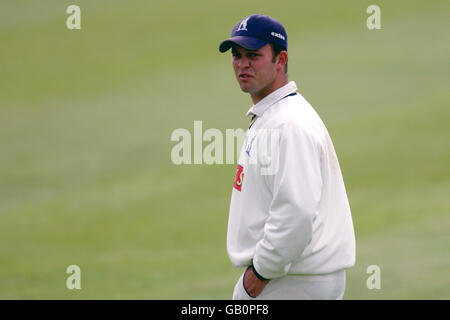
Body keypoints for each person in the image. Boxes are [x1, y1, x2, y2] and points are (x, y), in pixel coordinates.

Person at [218, 14, 356, 300]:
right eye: (237, 55)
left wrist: (259, 274)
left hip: (289, 281)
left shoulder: (288, 124)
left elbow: (297, 211)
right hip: (292, 276)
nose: (242, 64)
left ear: (280, 60)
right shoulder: (276, 116)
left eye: (253, 55)